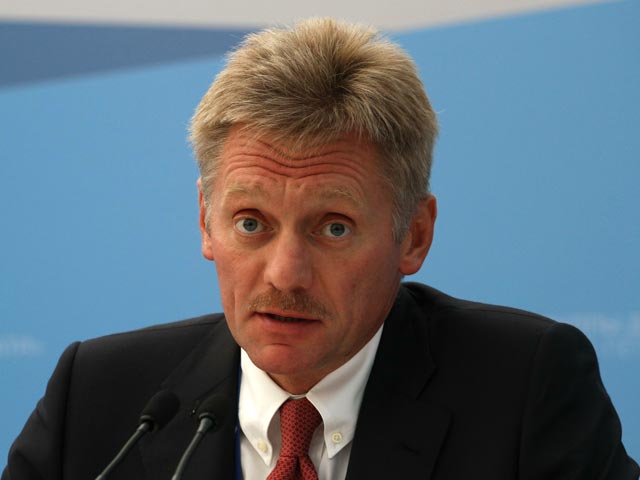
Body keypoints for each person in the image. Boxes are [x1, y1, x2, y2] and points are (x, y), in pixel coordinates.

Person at [2, 17, 638, 480]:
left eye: (333, 228)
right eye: (251, 223)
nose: (285, 275)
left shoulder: (525, 392)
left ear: (414, 235)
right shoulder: (99, 400)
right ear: (204, 221)